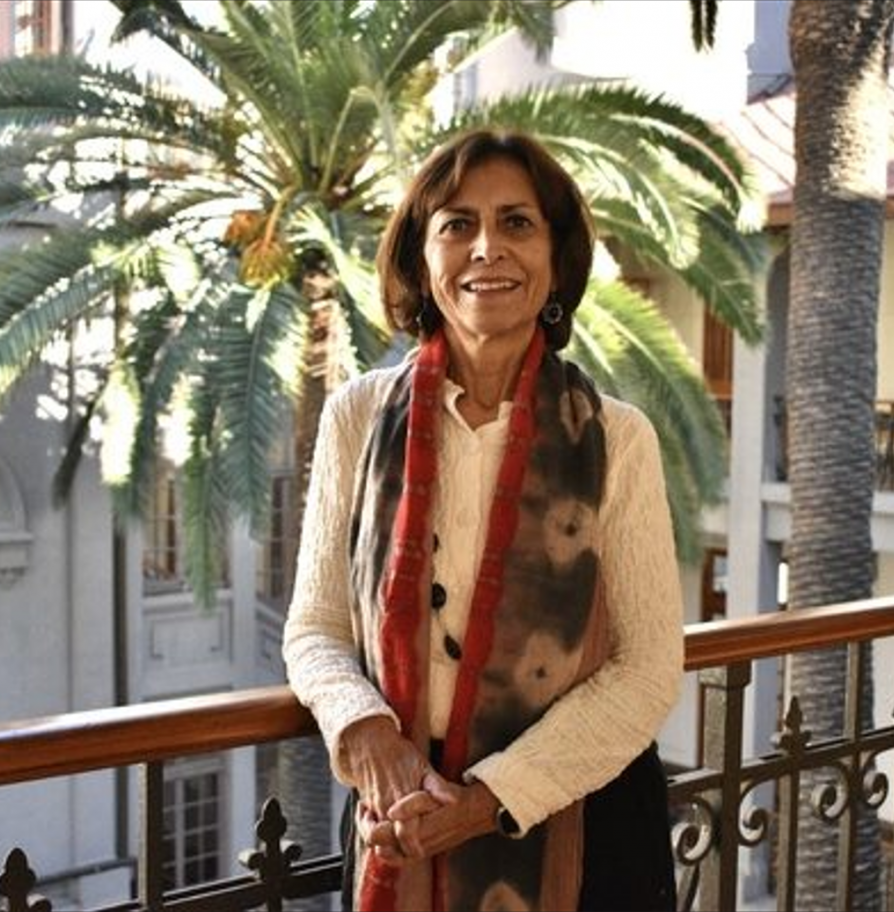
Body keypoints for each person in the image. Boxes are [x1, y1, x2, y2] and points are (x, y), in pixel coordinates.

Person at [283, 128, 685, 912]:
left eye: (518, 223)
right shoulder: (356, 417)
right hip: (398, 815)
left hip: (580, 825)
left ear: (556, 259)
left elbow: (646, 668)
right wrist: (371, 738)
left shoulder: (618, 437)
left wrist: (489, 800)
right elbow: (315, 627)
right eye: (458, 224)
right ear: (421, 257)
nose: (487, 248)